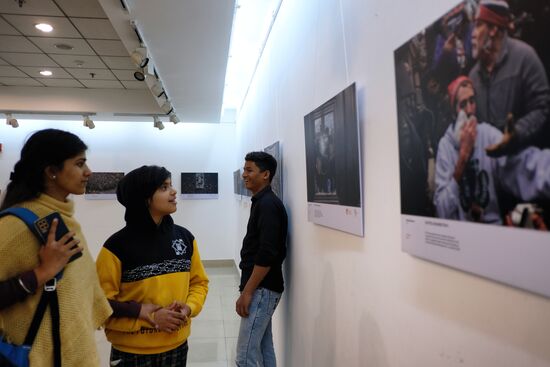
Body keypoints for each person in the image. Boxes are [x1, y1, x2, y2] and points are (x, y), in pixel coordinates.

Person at [0, 128, 112, 366]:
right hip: (40, 356)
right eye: (80, 164)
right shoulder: (14, 227)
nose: (88, 172)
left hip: (74, 351)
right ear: (51, 171)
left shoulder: (61, 218)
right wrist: (41, 273)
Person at [96, 165, 209, 367]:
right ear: (145, 198)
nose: (174, 191)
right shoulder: (115, 247)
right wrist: (151, 316)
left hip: (177, 345)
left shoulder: (185, 238)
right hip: (131, 352)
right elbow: (98, 305)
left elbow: (199, 283)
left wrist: (189, 308)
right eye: (164, 187)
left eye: (171, 185)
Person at [434, 76, 550, 224]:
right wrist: (462, 158)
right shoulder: (446, 146)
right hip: (462, 236)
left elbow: (520, 164)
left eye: (472, 101)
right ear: (454, 112)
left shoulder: (487, 135)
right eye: (463, 104)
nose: (470, 110)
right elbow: (441, 210)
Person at [468, 0, 550, 156]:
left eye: (478, 25)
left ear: (493, 29)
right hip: (492, 171)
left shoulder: (525, 58)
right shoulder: (473, 76)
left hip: (523, 166)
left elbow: (542, 107)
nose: (472, 34)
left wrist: (516, 133)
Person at [236, 152, 288, 367]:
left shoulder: (268, 205)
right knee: (264, 348)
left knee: (244, 355)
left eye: (249, 170)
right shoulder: (262, 202)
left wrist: (248, 292)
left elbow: (267, 254)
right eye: (244, 169)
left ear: (265, 174)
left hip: (262, 289)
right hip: (263, 288)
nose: (244, 175)